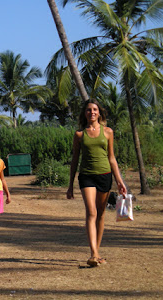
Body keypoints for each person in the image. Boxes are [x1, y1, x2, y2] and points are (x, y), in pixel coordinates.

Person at [67, 99, 127, 267]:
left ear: (99, 113)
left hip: (105, 176)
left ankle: (97, 252)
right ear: (84, 113)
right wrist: (70, 185)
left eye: (94, 110)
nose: (91, 112)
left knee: (100, 214)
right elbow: (74, 160)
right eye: (88, 110)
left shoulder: (108, 132)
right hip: (86, 176)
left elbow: (112, 158)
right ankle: (93, 254)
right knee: (91, 212)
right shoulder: (79, 134)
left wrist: (120, 182)